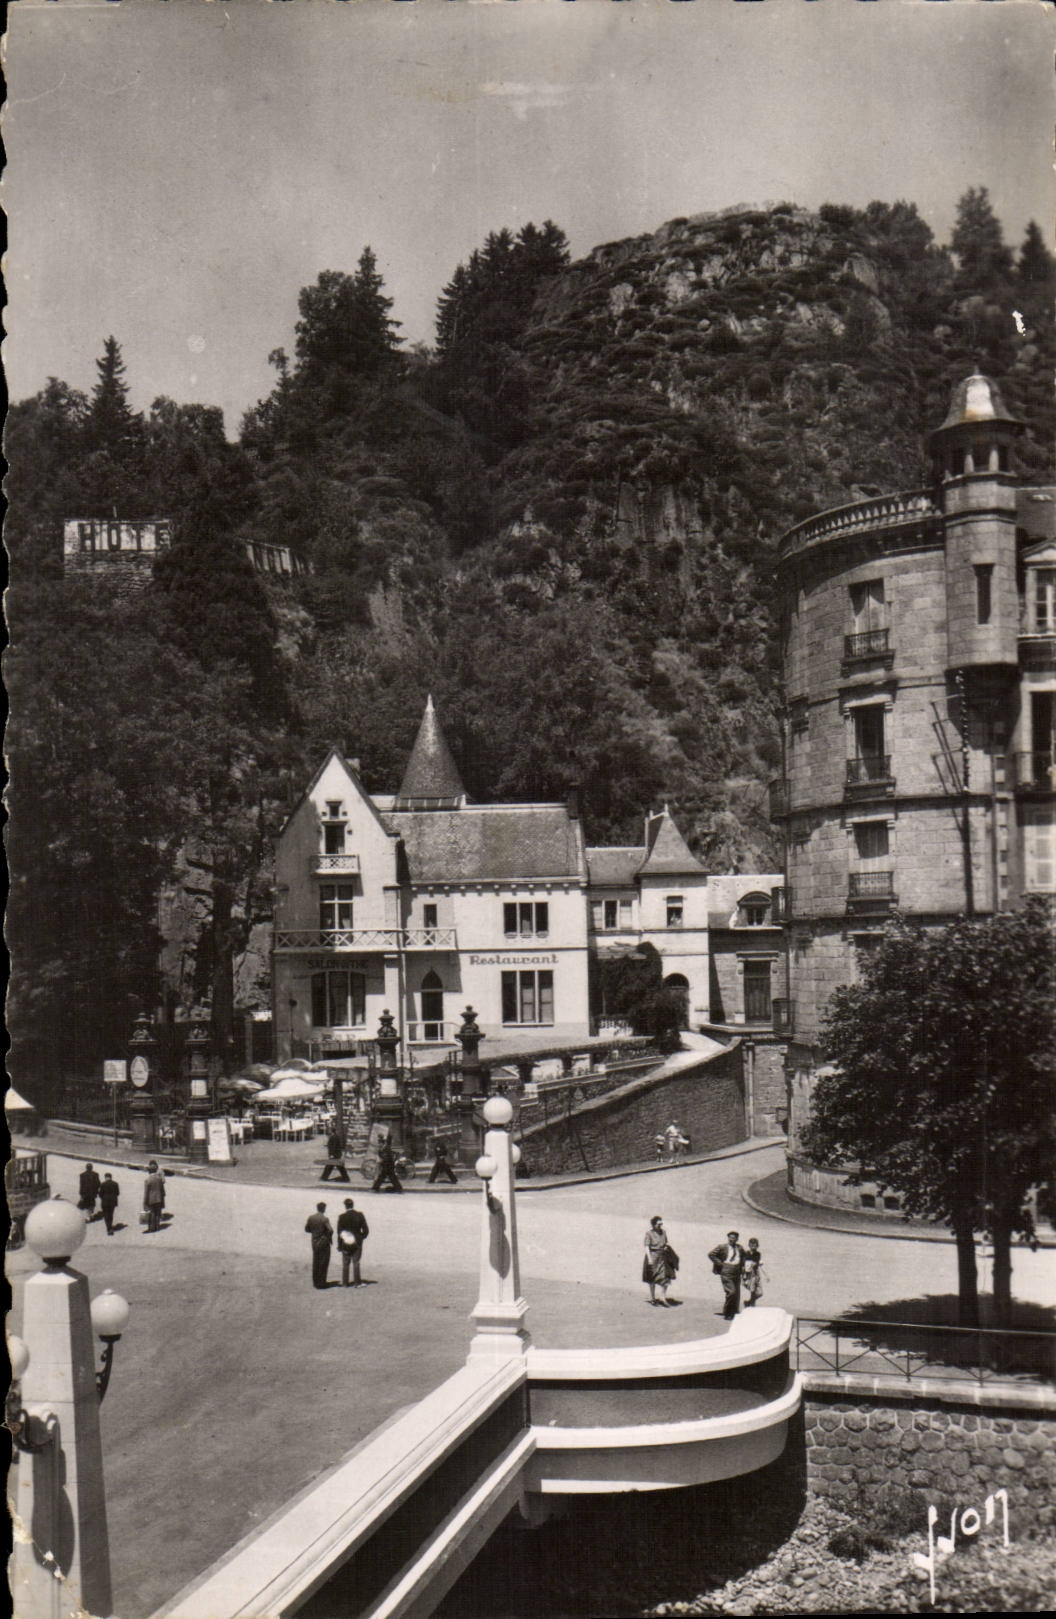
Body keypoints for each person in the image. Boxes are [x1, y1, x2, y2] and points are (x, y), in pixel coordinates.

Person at [708, 1229, 746, 1319]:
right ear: (728, 1238)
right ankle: (727, 1312)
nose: (731, 1239)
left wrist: (743, 1267)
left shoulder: (740, 1248)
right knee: (731, 1292)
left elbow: (744, 1257)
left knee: (736, 1293)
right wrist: (721, 1264)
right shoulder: (722, 1247)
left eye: (734, 1238)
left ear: (737, 1239)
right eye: (730, 1238)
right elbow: (711, 1254)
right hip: (726, 1271)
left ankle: (733, 1312)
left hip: (737, 1271)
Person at [642, 1214, 677, 1306]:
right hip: (653, 1256)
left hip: (663, 1257)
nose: (660, 1226)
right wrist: (649, 1259)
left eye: (661, 1224)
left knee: (666, 1277)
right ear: (653, 1225)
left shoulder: (664, 1232)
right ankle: (652, 1297)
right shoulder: (649, 1234)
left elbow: (665, 1242)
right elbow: (646, 1246)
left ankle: (662, 1297)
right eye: (658, 1224)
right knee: (652, 1278)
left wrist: (665, 1248)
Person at [336, 1198, 370, 1287]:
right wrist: (361, 1237)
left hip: (345, 1242)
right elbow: (366, 1230)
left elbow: (339, 1232)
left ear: (345, 1206)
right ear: (353, 1205)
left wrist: (339, 1245)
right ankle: (357, 1282)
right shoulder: (360, 1215)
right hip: (357, 1241)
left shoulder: (342, 1217)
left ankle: (345, 1283)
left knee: (345, 1263)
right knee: (356, 1262)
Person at [305, 1202, 334, 1289]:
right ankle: (322, 1282)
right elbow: (331, 1230)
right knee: (323, 1262)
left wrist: (315, 1232)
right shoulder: (324, 1219)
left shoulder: (311, 1217)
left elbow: (307, 1229)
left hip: (314, 1242)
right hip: (323, 1242)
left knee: (316, 1261)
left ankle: (316, 1282)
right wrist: (326, 1236)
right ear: (324, 1209)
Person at [143, 1161, 166, 1234]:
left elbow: (146, 1193)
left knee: (152, 1213)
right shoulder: (159, 1179)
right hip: (159, 1198)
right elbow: (162, 1190)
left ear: (149, 1171)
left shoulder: (147, 1180)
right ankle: (157, 1226)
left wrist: (144, 1203)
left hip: (151, 1199)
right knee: (157, 1213)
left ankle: (152, 1228)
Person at [743, 1237, 765, 1306]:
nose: (753, 1246)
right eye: (751, 1245)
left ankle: (749, 1302)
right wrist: (744, 1276)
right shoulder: (746, 1253)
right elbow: (744, 1265)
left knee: (760, 1293)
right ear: (749, 1245)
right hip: (749, 1274)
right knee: (752, 1291)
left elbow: (758, 1263)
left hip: (756, 1274)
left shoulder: (758, 1254)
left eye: (755, 1245)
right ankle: (752, 1305)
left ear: (757, 1246)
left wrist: (758, 1263)